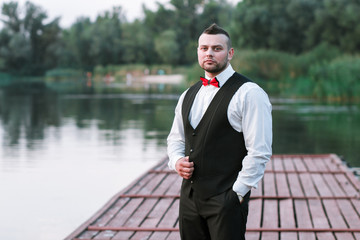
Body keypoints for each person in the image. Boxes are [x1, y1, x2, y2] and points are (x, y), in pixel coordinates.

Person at [167, 23, 272, 240]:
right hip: (189, 199)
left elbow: (259, 151)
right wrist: (177, 160)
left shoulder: (250, 93)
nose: (209, 53)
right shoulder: (188, 94)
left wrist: (238, 194)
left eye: (217, 48)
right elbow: (175, 139)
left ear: (230, 53)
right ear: (198, 51)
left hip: (227, 199)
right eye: (204, 48)